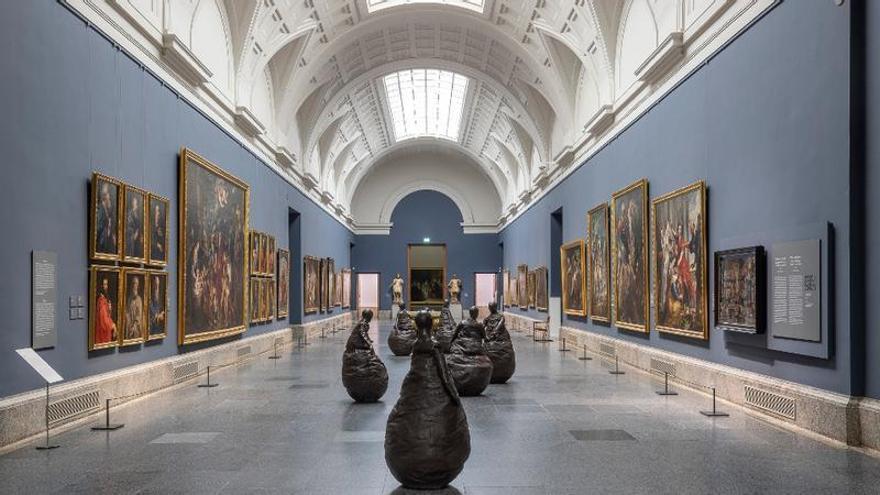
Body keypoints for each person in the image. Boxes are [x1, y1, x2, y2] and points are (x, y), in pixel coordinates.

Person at [385, 310, 470, 490]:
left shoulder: (416, 344)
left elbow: (414, 369)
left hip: (415, 385)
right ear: (432, 324)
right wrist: (453, 394)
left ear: (416, 324)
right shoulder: (434, 344)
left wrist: (407, 389)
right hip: (432, 386)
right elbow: (443, 372)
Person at [446, 306, 493, 396]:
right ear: (476, 314)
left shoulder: (462, 323)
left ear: (469, 313)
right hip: (475, 348)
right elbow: (485, 338)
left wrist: (450, 345)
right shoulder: (479, 325)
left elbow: (454, 335)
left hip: (461, 347)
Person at [484, 301, 515, 384]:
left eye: (491, 307)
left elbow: (499, 326)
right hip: (490, 338)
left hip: (500, 338)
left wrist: (493, 333)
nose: (490, 309)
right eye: (490, 307)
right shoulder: (487, 318)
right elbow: (483, 327)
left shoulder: (501, 317)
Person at [95, 275, 117, 344]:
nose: (105, 287)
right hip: (103, 334)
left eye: (106, 284)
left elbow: (107, 315)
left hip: (105, 333)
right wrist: (113, 325)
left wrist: (109, 309)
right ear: (101, 286)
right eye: (104, 284)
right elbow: (104, 320)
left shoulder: (104, 299)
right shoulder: (101, 300)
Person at [96, 182, 117, 254]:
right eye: (105, 194)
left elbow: (112, 222)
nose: (108, 196)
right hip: (102, 240)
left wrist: (112, 233)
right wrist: (106, 229)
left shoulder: (110, 208)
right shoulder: (100, 208)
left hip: (108, 240)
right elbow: (99, 226)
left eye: (108, 193)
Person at [125, 276, 144, 340]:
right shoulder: (129, 298)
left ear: (138, 285)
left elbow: (138, 316)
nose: (134, 285)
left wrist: (133, 327)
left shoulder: (139, 299)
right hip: (129, 326)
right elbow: (127, 312)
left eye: (136, 283)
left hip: (136, 328)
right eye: (133, 283)